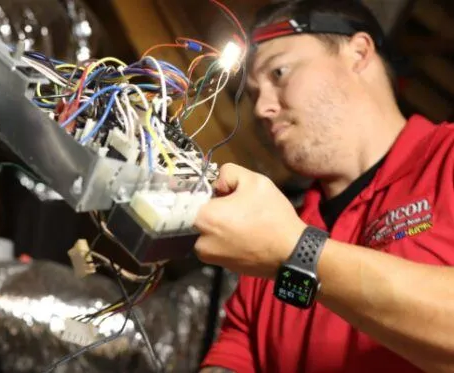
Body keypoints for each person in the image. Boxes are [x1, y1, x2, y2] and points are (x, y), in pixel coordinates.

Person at [193, 0, 454, 372]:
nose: (262, 108)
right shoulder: (273, 240)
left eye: (279, 72)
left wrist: (296, 251)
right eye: (253, 94)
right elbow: (236, 354)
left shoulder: (446, 160)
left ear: (359, 53)